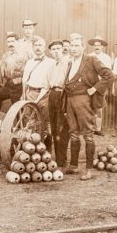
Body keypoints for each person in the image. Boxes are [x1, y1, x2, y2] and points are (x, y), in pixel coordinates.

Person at [63, 34, 114, 180]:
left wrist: (95, 89)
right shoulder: (70, 62)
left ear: (83, 47)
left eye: (77, 45)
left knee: (88, 134)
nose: (73, 48)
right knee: (73, 132)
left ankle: (89, 169)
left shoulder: (91, 59)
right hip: (70, 100)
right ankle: (74, 165)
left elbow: (109, 75)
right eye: (71, 45)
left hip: (84, 100)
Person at [22, 36, 55, 150]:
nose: (38, 48)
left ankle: (46, 150)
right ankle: (30, 148)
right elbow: (25, 80)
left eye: (40, 45)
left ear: (45, 47)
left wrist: (37, 100)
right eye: (35, 45)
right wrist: (24, 95)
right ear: (32, 48)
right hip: (30, 93)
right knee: (30, 121)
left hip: (44, 95)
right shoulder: (29, 62)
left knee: (45, 122)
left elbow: (48, 84)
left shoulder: (51, 62)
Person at [0, 32, 27, 107]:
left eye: (12, 41)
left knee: (18, 109)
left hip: (20, 87)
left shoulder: (25, 55)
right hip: (8, 86)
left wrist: (22, 84)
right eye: (8, 42)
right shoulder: (5, 56)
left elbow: (30, 72)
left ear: (18, 41)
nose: (10, 44)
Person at [47, 40, 70, 168]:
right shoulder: (51, 65)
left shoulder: (68, 63)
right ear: (50, 52)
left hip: (63, 94)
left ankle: (62, 160)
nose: (56, 51)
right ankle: (58, 158)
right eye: (53, 49)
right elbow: (49, 82)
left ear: (62, 50)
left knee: (62, 128)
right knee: (54, 128)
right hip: (52, 94)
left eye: (58, 49)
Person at [87, 35, 113, 136]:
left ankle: (98, 128)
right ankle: (89, 127)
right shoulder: (89, 56)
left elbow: (108, 73)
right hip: (90, 84)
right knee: (89, 105)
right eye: (95, 45)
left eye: (99, 45)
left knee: (99, 107)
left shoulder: (106, 58)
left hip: (101, 84)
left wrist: (103, 85)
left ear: (102, 46)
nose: (97, 47)